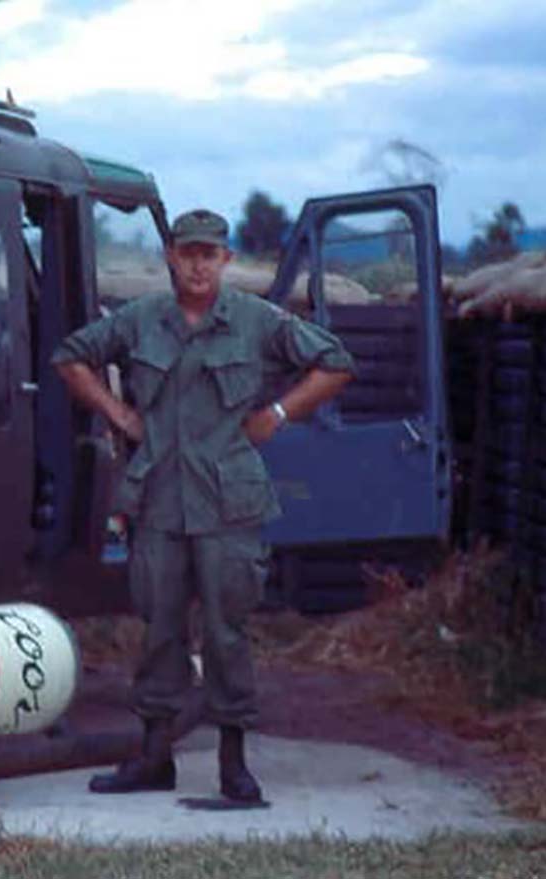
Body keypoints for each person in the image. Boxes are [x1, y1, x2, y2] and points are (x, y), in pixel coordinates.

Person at [52, 209, 355, 802]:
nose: (197, 263)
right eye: (187, 252)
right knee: (158, 628)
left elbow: (335, 363)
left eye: (208, 254)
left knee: (227, 631)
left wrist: (278, 414)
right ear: (170, 256)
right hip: (160, 498)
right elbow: (70, 356)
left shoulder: (255, 321)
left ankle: (234, 765)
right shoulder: (141, 321)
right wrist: (118, 415)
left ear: (226, 260)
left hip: (228, 503)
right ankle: (153, 757)